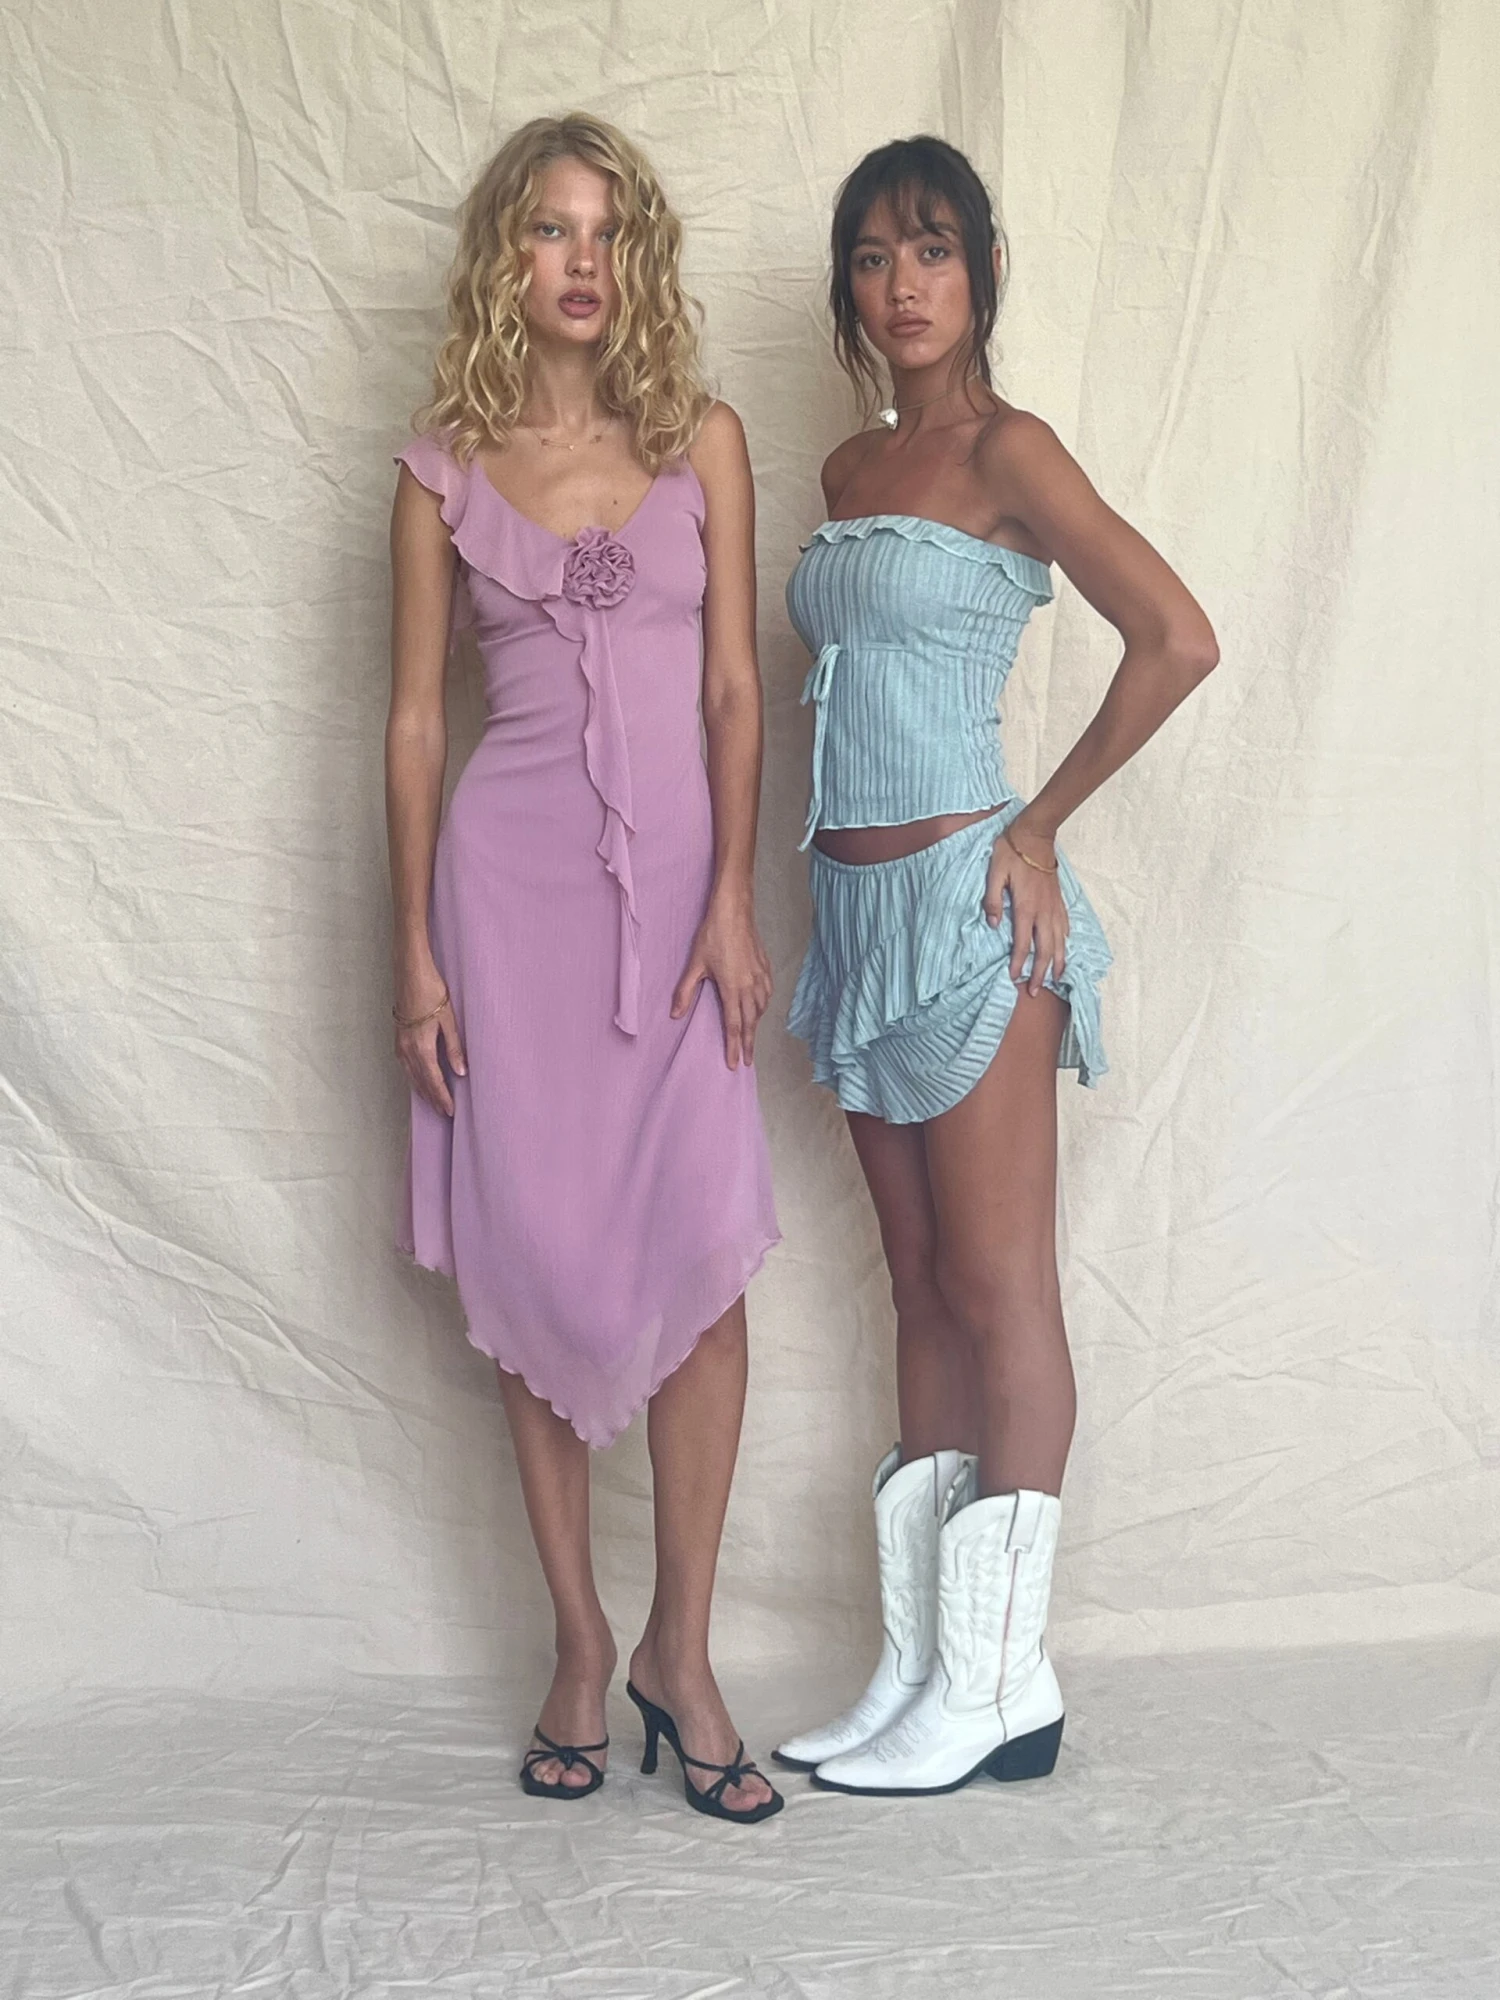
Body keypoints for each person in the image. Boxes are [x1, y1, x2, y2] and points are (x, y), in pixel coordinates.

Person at [775, 136, 1218, 1796]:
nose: (903, 285)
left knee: (999, 1284)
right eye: (874, 257)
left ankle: (1004, 1685)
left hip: (970, 919)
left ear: (984, 270)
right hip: (852, 917)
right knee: (918, 1290)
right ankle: (922, 1672)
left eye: (933, 249)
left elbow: (1177, 636)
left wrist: (1037, 827)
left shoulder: (1010, 449)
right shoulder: (843, 471)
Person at [385, 113, 782, 1822]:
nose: (583, 262)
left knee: (706, 1260)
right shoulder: (440, 471)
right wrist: (412, 953)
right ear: (506, 255)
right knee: (531, 1256)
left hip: (685, 909)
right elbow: (416, 724)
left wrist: (735, 900)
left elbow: (734, 692)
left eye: (609, 233)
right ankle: (577, 1639)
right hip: (509, 907)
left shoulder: (706, 441)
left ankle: (680, 1653)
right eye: (552, 230)